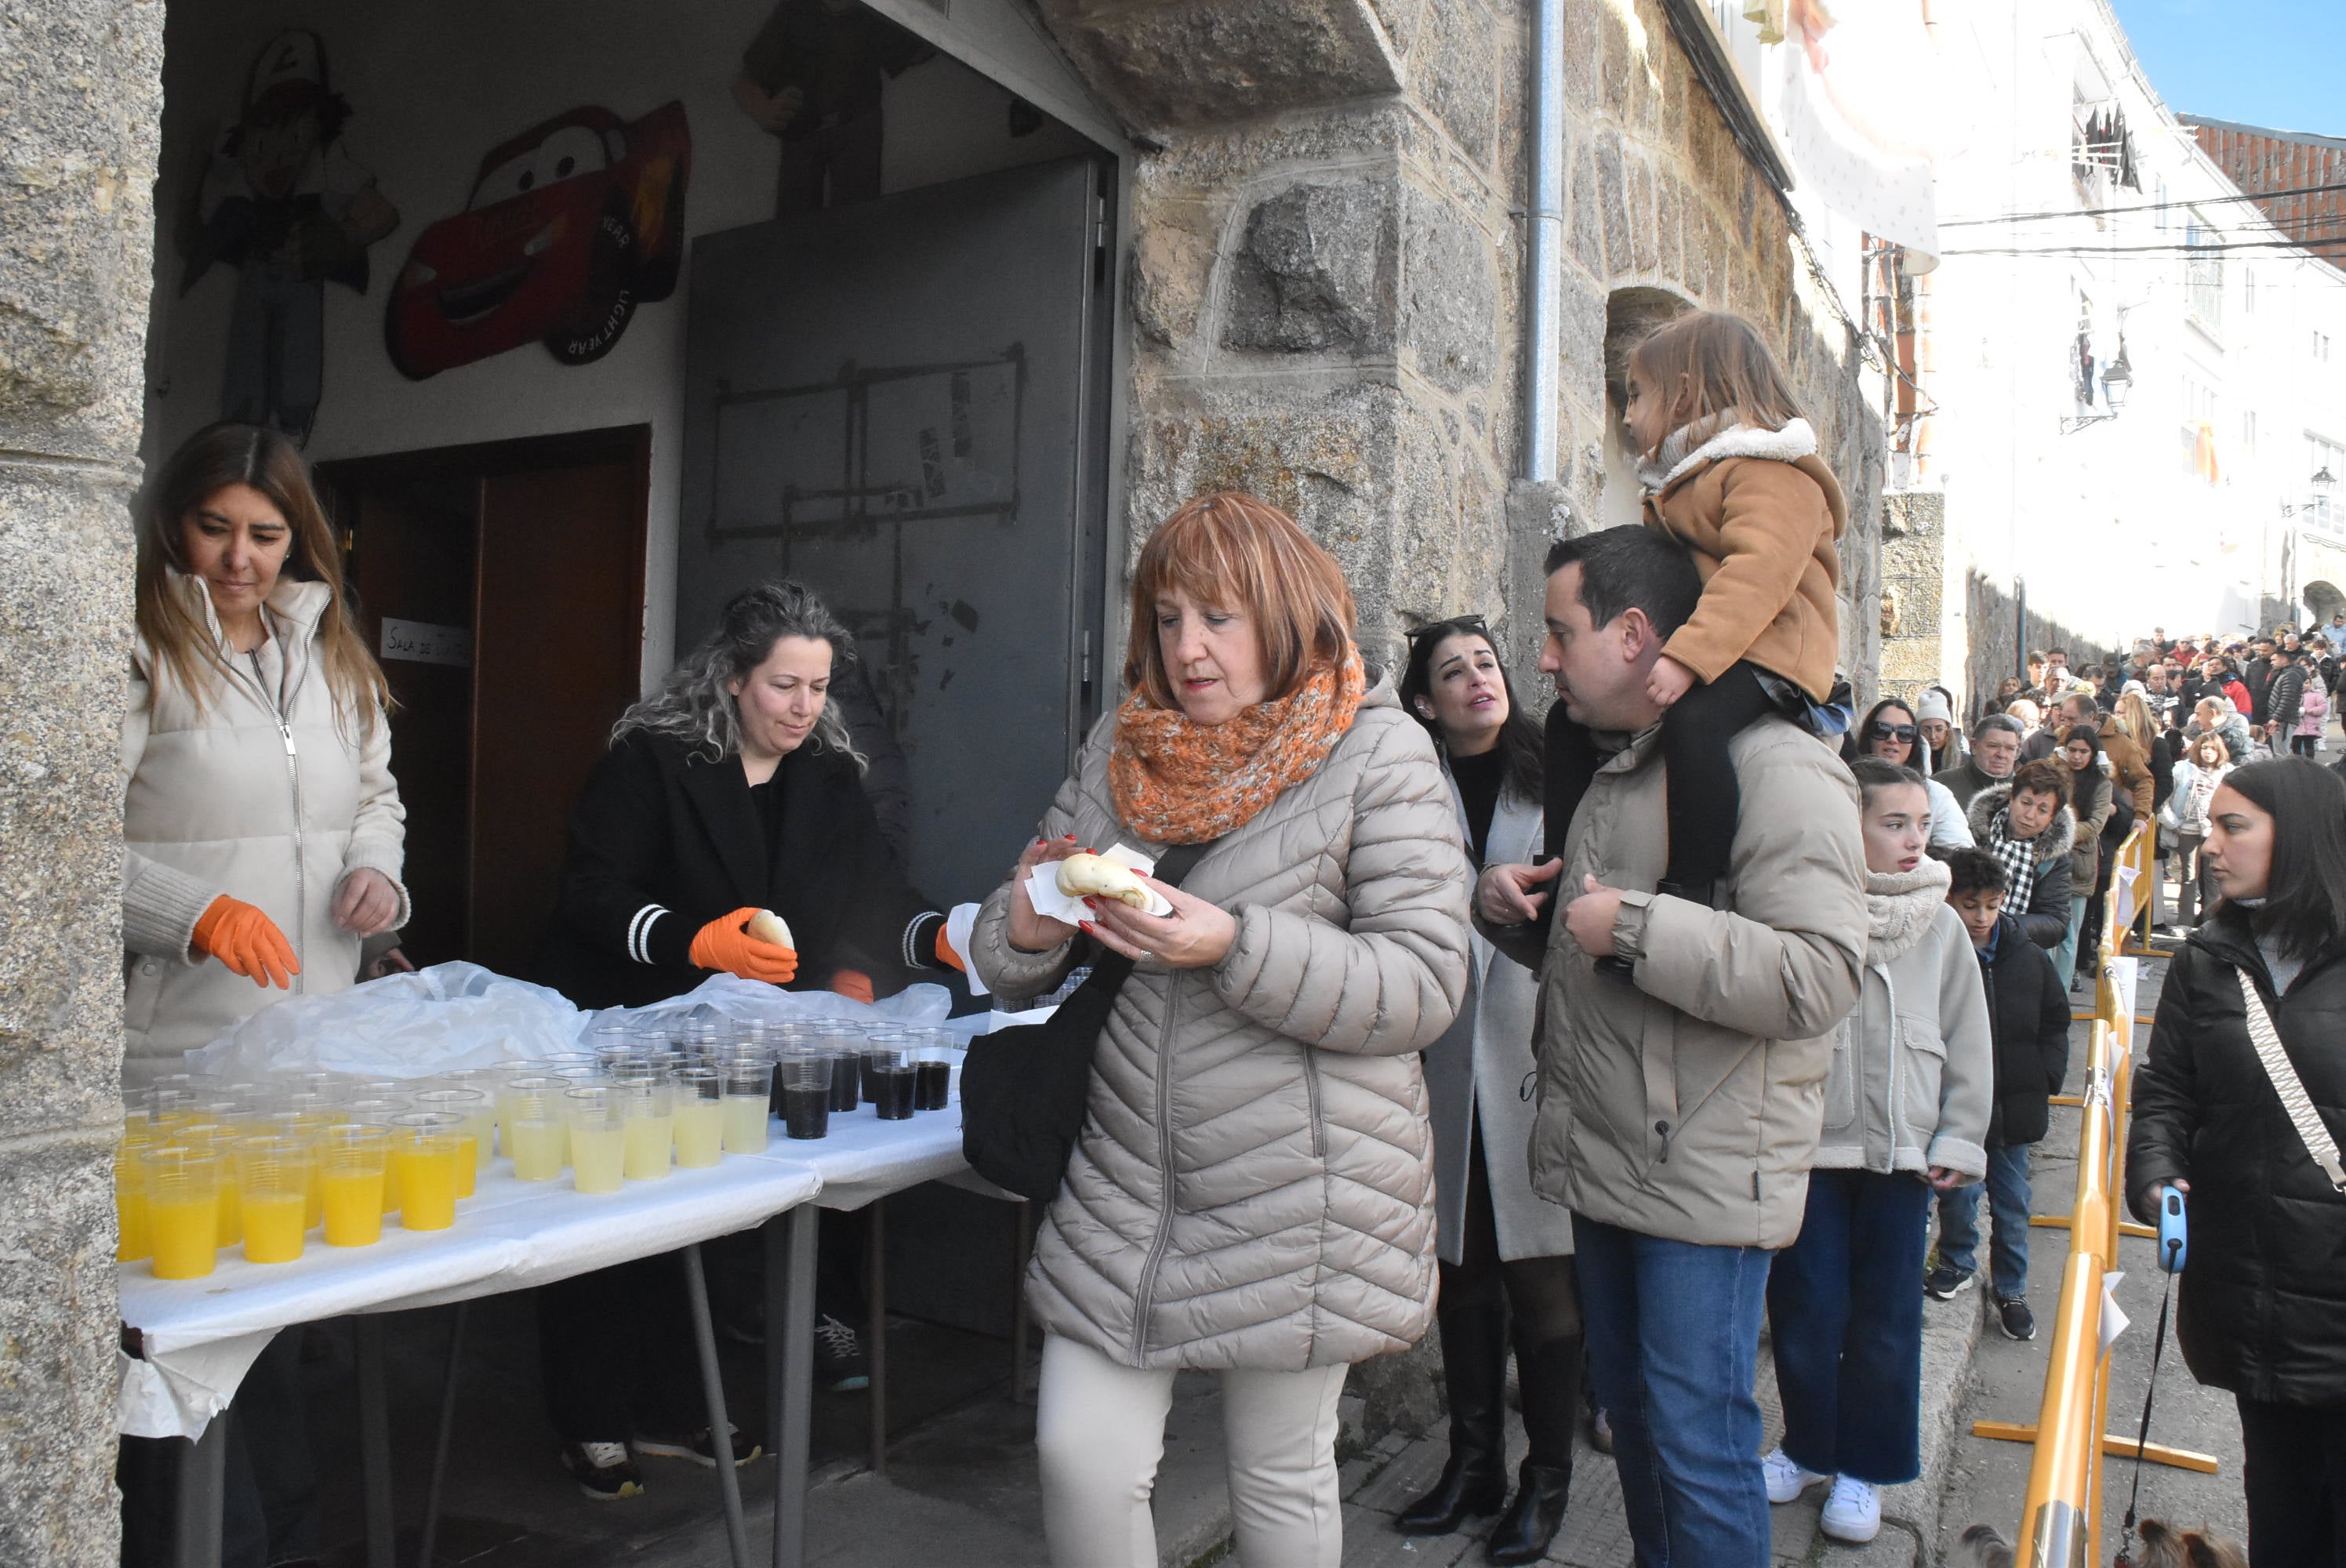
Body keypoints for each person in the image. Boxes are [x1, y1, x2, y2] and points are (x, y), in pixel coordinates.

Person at [970, 492, 1472, 1568]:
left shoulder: (1378, 756)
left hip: (1308, 1185)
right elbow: (1015, 958)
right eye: (1166, 617)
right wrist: (1021, 923)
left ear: (1286, 614)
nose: (1187, 649)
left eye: (1219, 617)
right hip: (1125, 1177)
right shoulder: (1124, 743)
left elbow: (1425, 982)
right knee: (1080, 1458)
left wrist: (1235, 946)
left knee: (1281, 1479)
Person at [1477, 524, 1867, 1568]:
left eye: (1561, 632)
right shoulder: (1616, 766)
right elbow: (1597, 956)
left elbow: (1821, 974)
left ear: (1638, 634)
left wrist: (1638, 928)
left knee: (1698, 1443)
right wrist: (1512, 917)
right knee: (1644, 1431)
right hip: (1611, 1157)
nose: (1544, 660)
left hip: (1700, 1171)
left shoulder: (1779, 768)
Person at [532, 580, 965, 1498]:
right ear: (732, 679)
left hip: (730, 1046)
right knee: (611, 1218)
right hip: (625, 1024)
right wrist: (690, 939)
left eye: (818, 687)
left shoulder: (828, 778)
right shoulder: (653, 761)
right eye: (784, 685)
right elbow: (592, 891)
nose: (806, 707)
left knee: (699, 1218)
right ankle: (590, 1414)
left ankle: (675, 1401)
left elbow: (874, 896)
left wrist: (941, 937)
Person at [118, 423, 411, 1568]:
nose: (240, 559)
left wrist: (377, 876)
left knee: (278, 1334)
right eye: (214, 529)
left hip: (306, 1050)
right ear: (173, 522)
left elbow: (376, 797)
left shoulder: (333, 652)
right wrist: (186, 911)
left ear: (305, 540)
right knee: (186, 1344)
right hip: (176, 1055)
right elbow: (51, 839)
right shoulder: (138, 646)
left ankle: (276, 1543)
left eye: (266, 535)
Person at [1545, 310, 1847, 909]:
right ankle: (1556, 868)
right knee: (1566, 724)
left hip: (1773, 653)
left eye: (1637, 395)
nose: (1627, 415)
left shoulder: (1771, 472)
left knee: (1695, 723)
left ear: (1684, 394)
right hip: (1720, 646)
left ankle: (1693, 881)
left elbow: (1756, 577)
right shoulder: (1687, 478)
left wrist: (1686, 658)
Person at [1760, 760, 1988, 1544]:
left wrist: (1958, 1132)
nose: (1913, 838)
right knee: (1804, 1305)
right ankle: (1805, 1442)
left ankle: (1864, 1465)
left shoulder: (1940, 920)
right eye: (1894, 822)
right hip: (1813, 1145)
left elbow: (1968, 1036)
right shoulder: (1803, 906)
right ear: (1845, 825)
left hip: (1901, 1154)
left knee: (1886, 1318)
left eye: (1920, 823)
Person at [1393, 617, 1582, 1563]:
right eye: (1451, 671)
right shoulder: (1409, 788)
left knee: (1543, 1279)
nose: (1477, 679)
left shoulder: (1554, 773)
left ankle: (1547, 1483)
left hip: (1530, 1052)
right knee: (1459, 1275)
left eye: (1485, 662)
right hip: (1437, 1060)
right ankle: (1475, 1468)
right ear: (1424, 702)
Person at [2127, 759, 2346, 1568]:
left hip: (2336, 1289)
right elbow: (2167, 1090)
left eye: (2232, 825)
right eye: (2210, 825)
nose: (2209, 843)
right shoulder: (2206, 960)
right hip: (2251, 1295)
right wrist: (2155, 1171)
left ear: (2297, 835)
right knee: (2281, 1516)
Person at [1926, 848, 2070, 1341]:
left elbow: (2056, 1019)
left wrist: (2047, 1076)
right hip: (1958, 1109)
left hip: (2015, 1111)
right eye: (1970, 905)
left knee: (2013, 1206)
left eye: (1992, 904)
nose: (1982, 917)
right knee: (1958, 1197)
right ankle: (1957, 1263)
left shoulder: (2027, 957)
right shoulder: (1934, 954)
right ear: (1948, 901)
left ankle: (2011, 1289)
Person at [1964, 759, 2075, 953]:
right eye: (2026, 803)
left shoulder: (2055, 858)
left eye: (2042, 810)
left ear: (2052, 816)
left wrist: (2003, 926)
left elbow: (2056, 921)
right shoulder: (1971, 835)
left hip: (2016, 950)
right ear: (2012, 798)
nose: (2030, 815)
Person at [1843, 697, 1973, 848]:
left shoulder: (1936, 794)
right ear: (1869, 735)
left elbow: (1960, 849)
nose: (1892, 739)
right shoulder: (1845, 788)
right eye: (1882, 730)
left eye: (1904, 733)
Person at [2055, 726, 2116, 989]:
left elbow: (2095, 825)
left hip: (2079, 864)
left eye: (2083, 751)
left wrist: (2058, 833)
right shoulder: (2053, 773)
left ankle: (2062, 996)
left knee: (2070, 937)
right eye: (2072, 750)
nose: (2077, 757)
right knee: (2047, 935)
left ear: (2093, 753)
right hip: (2048, 859)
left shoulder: (2102, 784)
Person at [1938, 714, 2024, 808]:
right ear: (1974, 746)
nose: (2001, 755)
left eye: (2010, 749)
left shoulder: (2025, 792)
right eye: (1993, 746)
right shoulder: (1941, 785)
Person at [2187, 695, 2253, 765]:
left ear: (2212, 713)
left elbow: (2241, 765)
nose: (2195, 719)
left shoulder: (2237, 738)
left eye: (2198, 714)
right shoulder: (2194, 730)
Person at [1916, 686, 1965, 773]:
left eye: (1939, 729)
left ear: (1948, 731)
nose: (1933, 736)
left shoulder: (1964, 762)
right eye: (1926, 730)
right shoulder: (1910, 761)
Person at [2290, 650, 2328, 759]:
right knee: (2295, 747)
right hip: (2297, 726)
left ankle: (2310, 764)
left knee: (2309, 747)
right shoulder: (2293, 694)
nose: (2304, 685)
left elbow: (2323, 707)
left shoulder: (2315, 694)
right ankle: (2297, 763)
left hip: (2311, 726)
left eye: (2306, 683)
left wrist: (2312, 711)